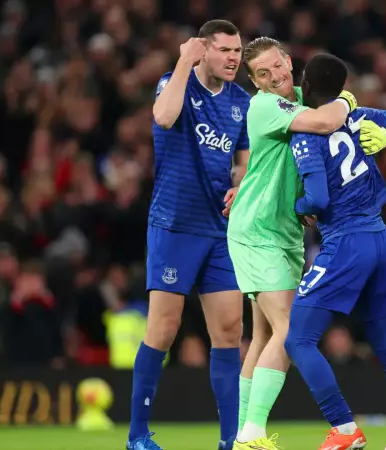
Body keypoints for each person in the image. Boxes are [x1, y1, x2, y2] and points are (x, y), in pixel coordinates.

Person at [228, 38, 386, 450]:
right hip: (259, 232)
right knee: (289, 331)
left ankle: (240, 435)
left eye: (277, 67)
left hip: (283, 232)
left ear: (287, 60)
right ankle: (253, 435)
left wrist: (378, 136)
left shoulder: (305, 98)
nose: (275, 77)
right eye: (263, 74)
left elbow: (335, 133)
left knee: (264, 334)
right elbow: (324, 124)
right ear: (254, 81)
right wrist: (349, 100)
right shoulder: (265, 105)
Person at [281, 53, 386, 450]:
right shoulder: (356, 115)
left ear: (306, 86)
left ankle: (344, 429)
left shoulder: (307, 132)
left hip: (345, 241)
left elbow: (319, 198)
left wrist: (297, 207)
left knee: (299, 341)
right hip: (380, 237)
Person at [128, 20, 249, 450]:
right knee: (163, 328)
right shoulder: (174, 82)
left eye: (238, 51)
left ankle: (229, 441)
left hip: (219, 228)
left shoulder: (241, 102)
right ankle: (138, 435)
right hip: (175, 223)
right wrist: (182, 61)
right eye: (225, 50)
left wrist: (243, 180)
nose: (234, 58)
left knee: (230, 329)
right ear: (203, 51)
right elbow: (162, 117)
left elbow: (246, 155)